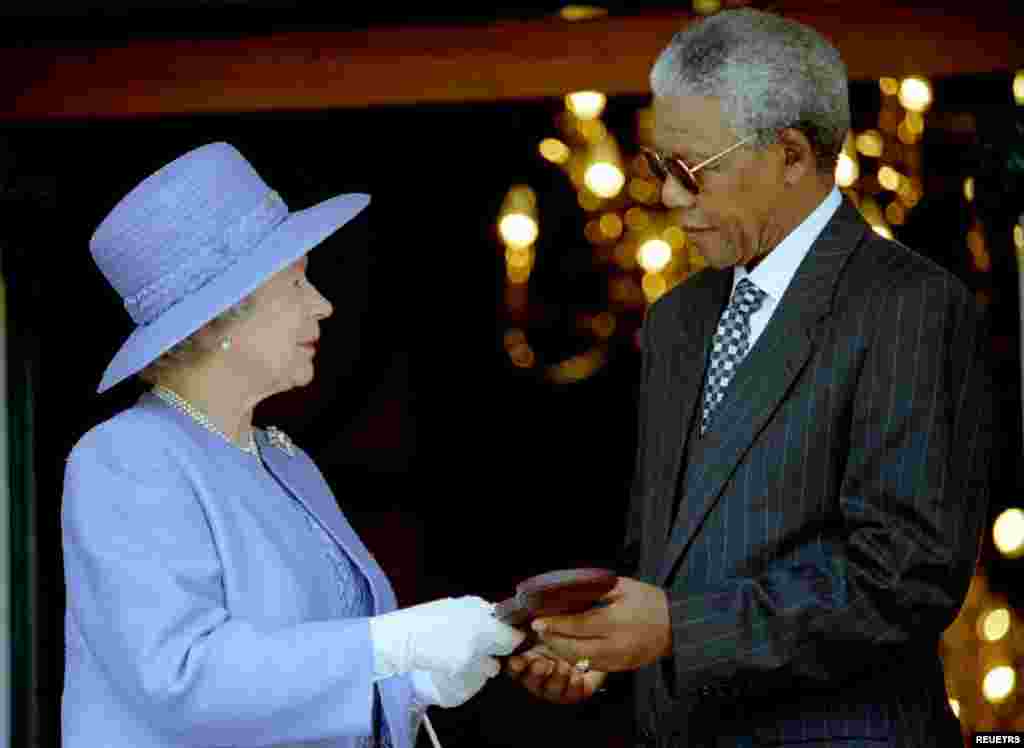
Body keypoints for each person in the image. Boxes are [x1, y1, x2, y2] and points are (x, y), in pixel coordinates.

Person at [507, 9, 993, 747]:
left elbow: (903, 580)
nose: (668, 199)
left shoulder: (910, 305)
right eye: (655, 168)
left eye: (690, 170)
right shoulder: (678, 318)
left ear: (792, 154)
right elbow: (672, 557)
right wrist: (601, 646)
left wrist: (674, 629)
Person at [62, 142, 525, 748]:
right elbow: (182, 676)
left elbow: (295, 683)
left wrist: (406, 686)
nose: (324, 305)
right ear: (216, 320)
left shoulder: (283, 459)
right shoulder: (124, 459)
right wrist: (388, 646)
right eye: (299, 282)